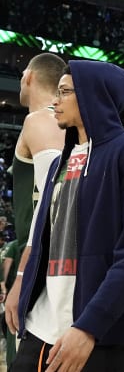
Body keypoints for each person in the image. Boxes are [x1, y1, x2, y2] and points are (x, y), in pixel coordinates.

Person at [7, 60, 124, 371]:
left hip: (104, 332)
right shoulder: (57, 165)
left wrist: (90, 325)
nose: (55, 101)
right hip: (42, 326)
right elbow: (42, 237)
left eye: (64, 92)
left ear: (93, 95)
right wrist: (22, 288)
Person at [4, 52, 66, 366]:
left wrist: (21, 275)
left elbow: (56, 202)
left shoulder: (41, 118)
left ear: (29, 76)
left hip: (43, 260)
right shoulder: (76, 125)